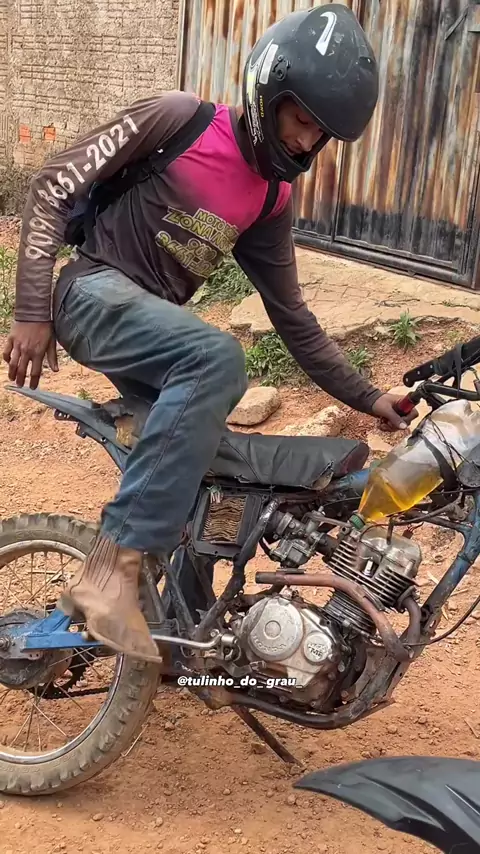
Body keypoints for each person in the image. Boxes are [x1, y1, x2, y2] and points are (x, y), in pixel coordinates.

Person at [3, 4, 417, 662]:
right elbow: (53, 184)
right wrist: (32, 309)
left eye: (321, 134)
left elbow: (294, 320)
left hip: (152, 338)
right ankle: (108, 575)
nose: (306, 142)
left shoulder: (269, 199)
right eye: (302, 119)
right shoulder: (179, 119)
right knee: (217, 358)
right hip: (92, 293)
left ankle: (183, 641)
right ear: (269, 92)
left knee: (206, 467)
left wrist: (369, 397)